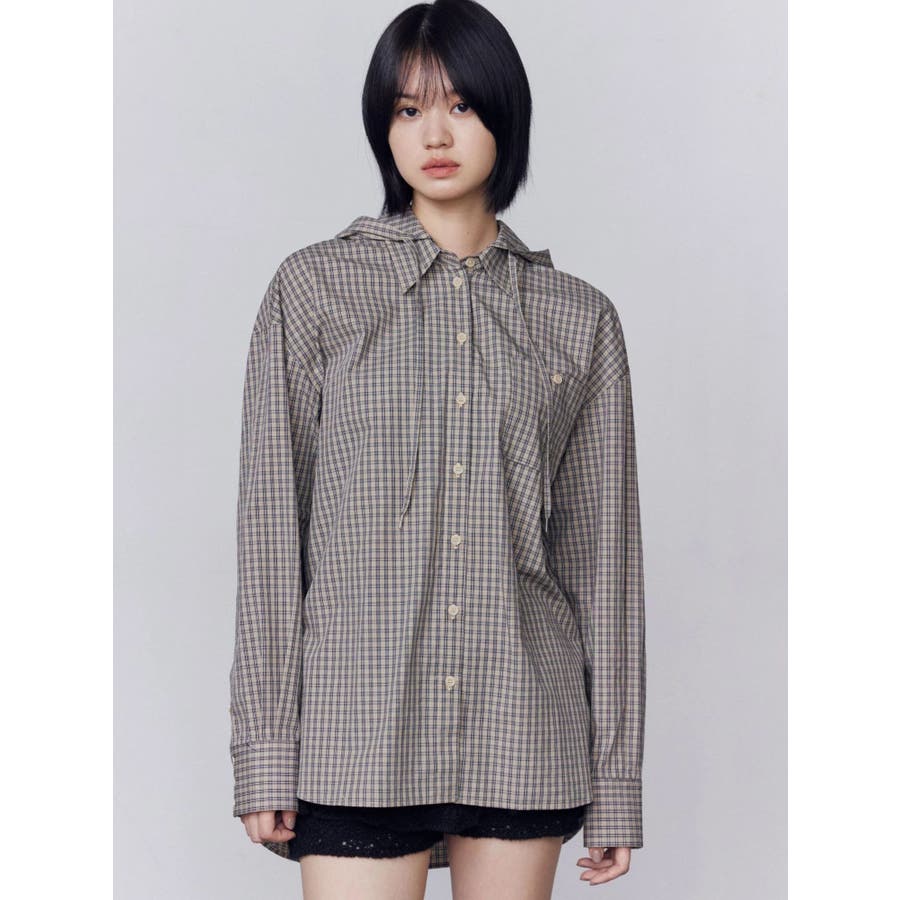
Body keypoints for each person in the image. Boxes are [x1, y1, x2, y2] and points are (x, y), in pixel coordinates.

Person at [227, 1, 646, 897]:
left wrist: (615, 782)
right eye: (408, 109)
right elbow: (270, 537)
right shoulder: (314, 291)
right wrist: (264, 747)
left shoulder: (578, 319)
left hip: (522, 727)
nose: (435, 134)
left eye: (460, 104)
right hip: (357, 732)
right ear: (382, 128)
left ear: (505, 114)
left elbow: (603, 565)